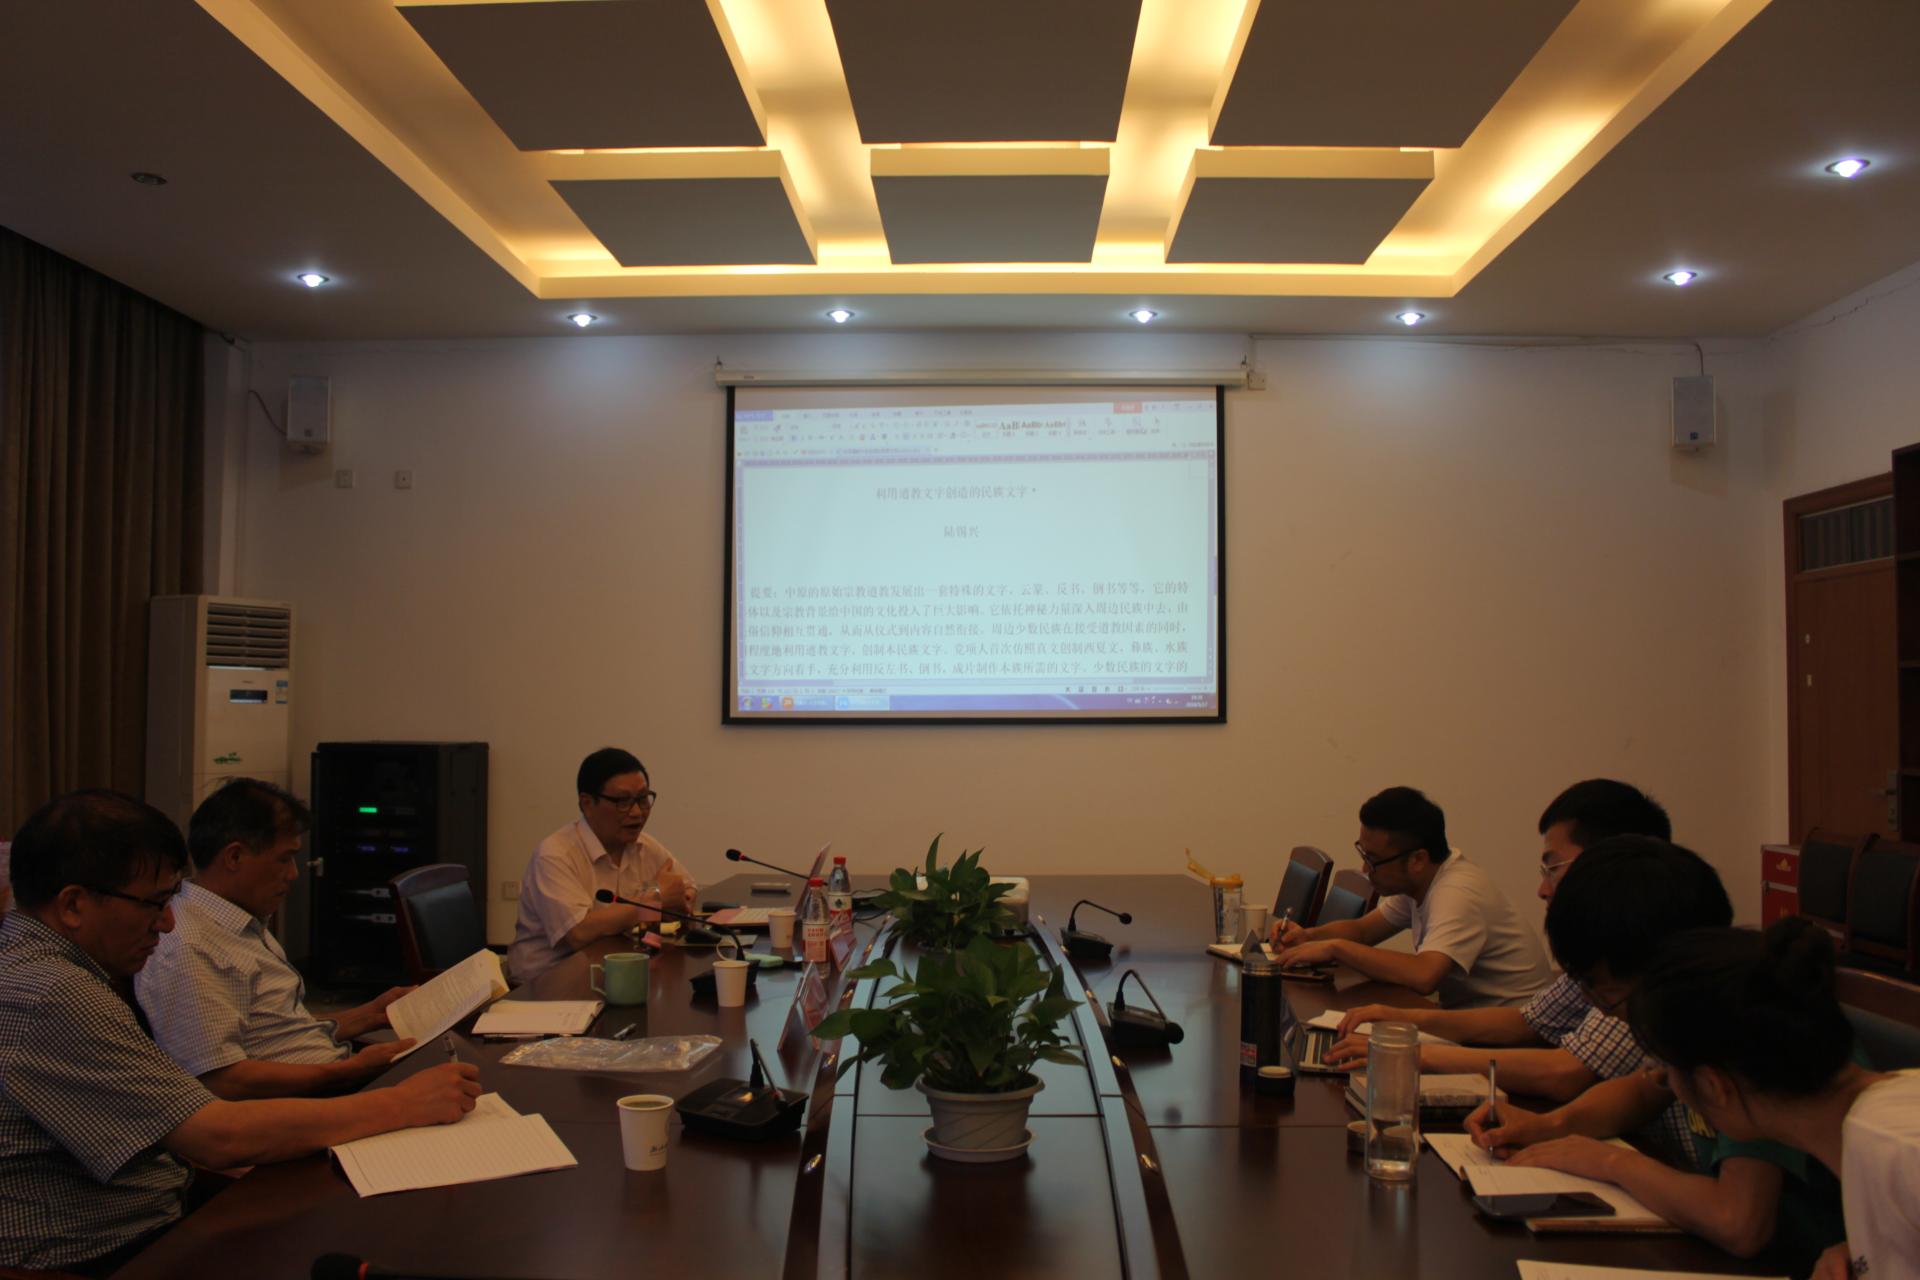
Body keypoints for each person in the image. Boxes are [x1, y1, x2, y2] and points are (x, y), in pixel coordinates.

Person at [0, 791, 479, 1274]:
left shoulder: (37, 967)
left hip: (157, 1208)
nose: (167, 923)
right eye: (155, 903)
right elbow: (217, 1137)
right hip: (99, 1252)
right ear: (73, 905)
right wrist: (401, 1103)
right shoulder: (50, 992)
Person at [1463, 870, 1850, 1272]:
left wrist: (1611, 1163)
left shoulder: (1746, 1036)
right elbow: (1644, 1088)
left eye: (1602, 991)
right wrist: (1550, 1126)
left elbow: (1738, 1222)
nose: (1597, 1008)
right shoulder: (1696, 1015)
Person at [1329, 780, 1676, 1111]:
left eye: (1553, 867)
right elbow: (1527, 1021)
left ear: (1615, 862)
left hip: (1528, 1065)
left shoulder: (1649, 960)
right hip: (1516, 1058)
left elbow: (1565, 1073)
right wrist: (1402, 1019)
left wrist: (1410, 1052)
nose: (1542, 890)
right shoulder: (1601, 947)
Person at [1618, 919, 1918, 1280]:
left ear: (1713, 1086)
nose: (1663, 1080)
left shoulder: (1893, 1147)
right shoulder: (1875, 1127)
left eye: (1667, 1069)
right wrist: (1862, 1247)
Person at [135, 778, 415, 1099]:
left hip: (329, 1079)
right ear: (234, 857)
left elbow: (273, 1030)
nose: (293, 874)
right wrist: (348, 1072)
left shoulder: (236, 919)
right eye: (284, 858)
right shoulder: (190, 946)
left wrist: (370, 1015)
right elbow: (220, 1080)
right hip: (308, 1102)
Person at [1271, 786, 1552, 1007]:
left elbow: (1423, 975)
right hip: (1470, 1019)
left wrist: (1336, 948)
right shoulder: (1423, 878)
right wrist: (1308, 936)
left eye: (1373, 860)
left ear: (1417, 859)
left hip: (1512, 1037)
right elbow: (1363, 931)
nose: (1365, 869)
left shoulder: (1457, 893)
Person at [508, 747, 697, 983]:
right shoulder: (554, 856)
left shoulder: (644, 846)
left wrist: (679, 901)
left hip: (613, 973)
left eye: (642, 799)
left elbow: (685, 888)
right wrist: (655, 899)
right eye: (622, 802)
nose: (637, 812)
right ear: (587, 803)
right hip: (547, 984)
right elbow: (579, 933)